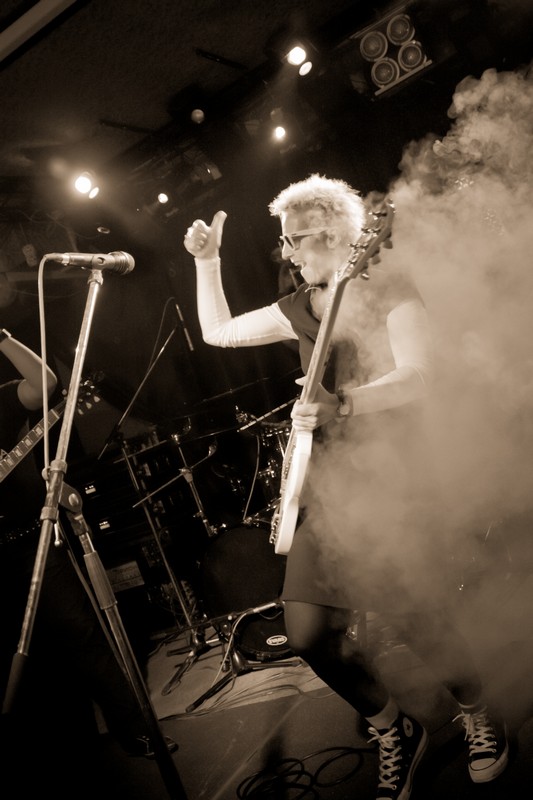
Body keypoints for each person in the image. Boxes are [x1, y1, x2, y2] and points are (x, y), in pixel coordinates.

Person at [183, 174, 509, 799]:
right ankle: (393, 729)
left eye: (295, 239)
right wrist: (208, 262)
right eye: (284, 241)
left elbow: (421, 374)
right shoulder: (298, 307)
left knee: (416, 618)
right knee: (307, 634)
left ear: (335, 236)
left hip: (392, 479)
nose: (286, 252)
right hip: (325, 490)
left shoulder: (389, 291)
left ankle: (476, 709)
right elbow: (217, 332)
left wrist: (348, 403)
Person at [0, 327, 174, 797]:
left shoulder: (3, 399)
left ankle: (136, 731)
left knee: (82, 633)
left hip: (34, 540)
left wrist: (1, 335)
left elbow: (45, 383)